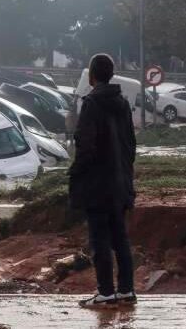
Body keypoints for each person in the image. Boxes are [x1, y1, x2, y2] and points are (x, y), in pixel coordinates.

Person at [69, 53, 137, 308]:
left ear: (92, 75)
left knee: (99, 239)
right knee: (120, 237)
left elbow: (85, 145)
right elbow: (131, 144)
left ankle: (106, 292)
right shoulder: (123, 103)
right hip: (120, 181)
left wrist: (77, 172)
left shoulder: (92, 104)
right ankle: (126, 290)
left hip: (97, 184)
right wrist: (125, 173)